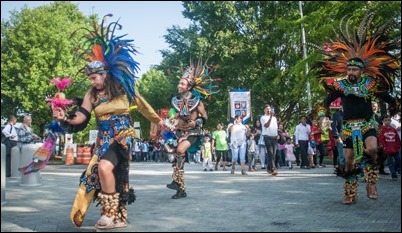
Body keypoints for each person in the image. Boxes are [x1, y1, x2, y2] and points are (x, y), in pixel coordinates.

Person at [52, 15, 164, 228]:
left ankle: (110, 214)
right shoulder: (92, 94)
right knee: (103, 174)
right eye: (90, 78)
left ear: (106, 74)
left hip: (122, 138)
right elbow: (81, 117)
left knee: (104, 168)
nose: (92, 81)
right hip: (103, 140)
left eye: (95, 77)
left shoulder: (124, 88)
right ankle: (117, 216)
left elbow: (143, 106)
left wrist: (159, 122)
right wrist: (65, 117)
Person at [315, 10, 399, 205]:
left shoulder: (371, 84)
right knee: (350, 161)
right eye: (349, 69)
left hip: (368, 124)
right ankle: (350, 193)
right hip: (347, 127)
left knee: (371, 149)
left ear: (361, 70)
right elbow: (324, 103)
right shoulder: (340, 85)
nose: (351, 72)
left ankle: (371, 183)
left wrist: (395, 104)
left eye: (354, 69)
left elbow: (387, 97)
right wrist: (322, 116)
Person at [165, 58, 218, 199]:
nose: (179, 85)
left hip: (193, 132)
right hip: (179, 132)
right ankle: (179, 188)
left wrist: (196, 122)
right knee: (176, 154)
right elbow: (176, 115)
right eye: (179, 83)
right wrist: (172, 120)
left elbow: (205, 117)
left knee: (180, 150)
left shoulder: (197, 101)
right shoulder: (176, 100)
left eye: (182, 83)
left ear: (189, 86)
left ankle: (177, 182)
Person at [378, 115, 401, 180]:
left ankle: (395, 170)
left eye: (388, 120)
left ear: (390, 121)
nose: (387, 122)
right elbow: (381, 140)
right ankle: (394, 175)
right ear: (383, 121)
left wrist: (398, 146)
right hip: (387, 150)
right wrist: (384, 147)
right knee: (390, 163)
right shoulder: (382, 130)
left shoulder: (393, 130)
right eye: (386, 120)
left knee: (399, 160)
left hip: (395, 149)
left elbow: (397, 139)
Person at [260, 104, 279, 175]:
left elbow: (275, 127)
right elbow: (266, 126)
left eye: (270, 109)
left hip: (274, 137)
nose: (269, 110)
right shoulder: (263, 117)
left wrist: (277, 135)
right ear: (264, 110)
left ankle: (268, 167)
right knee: (270, 153)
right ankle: (273, 169)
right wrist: (270, 117)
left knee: (274, 154)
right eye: (267, 109)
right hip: (267, 137)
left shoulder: (274, 118)